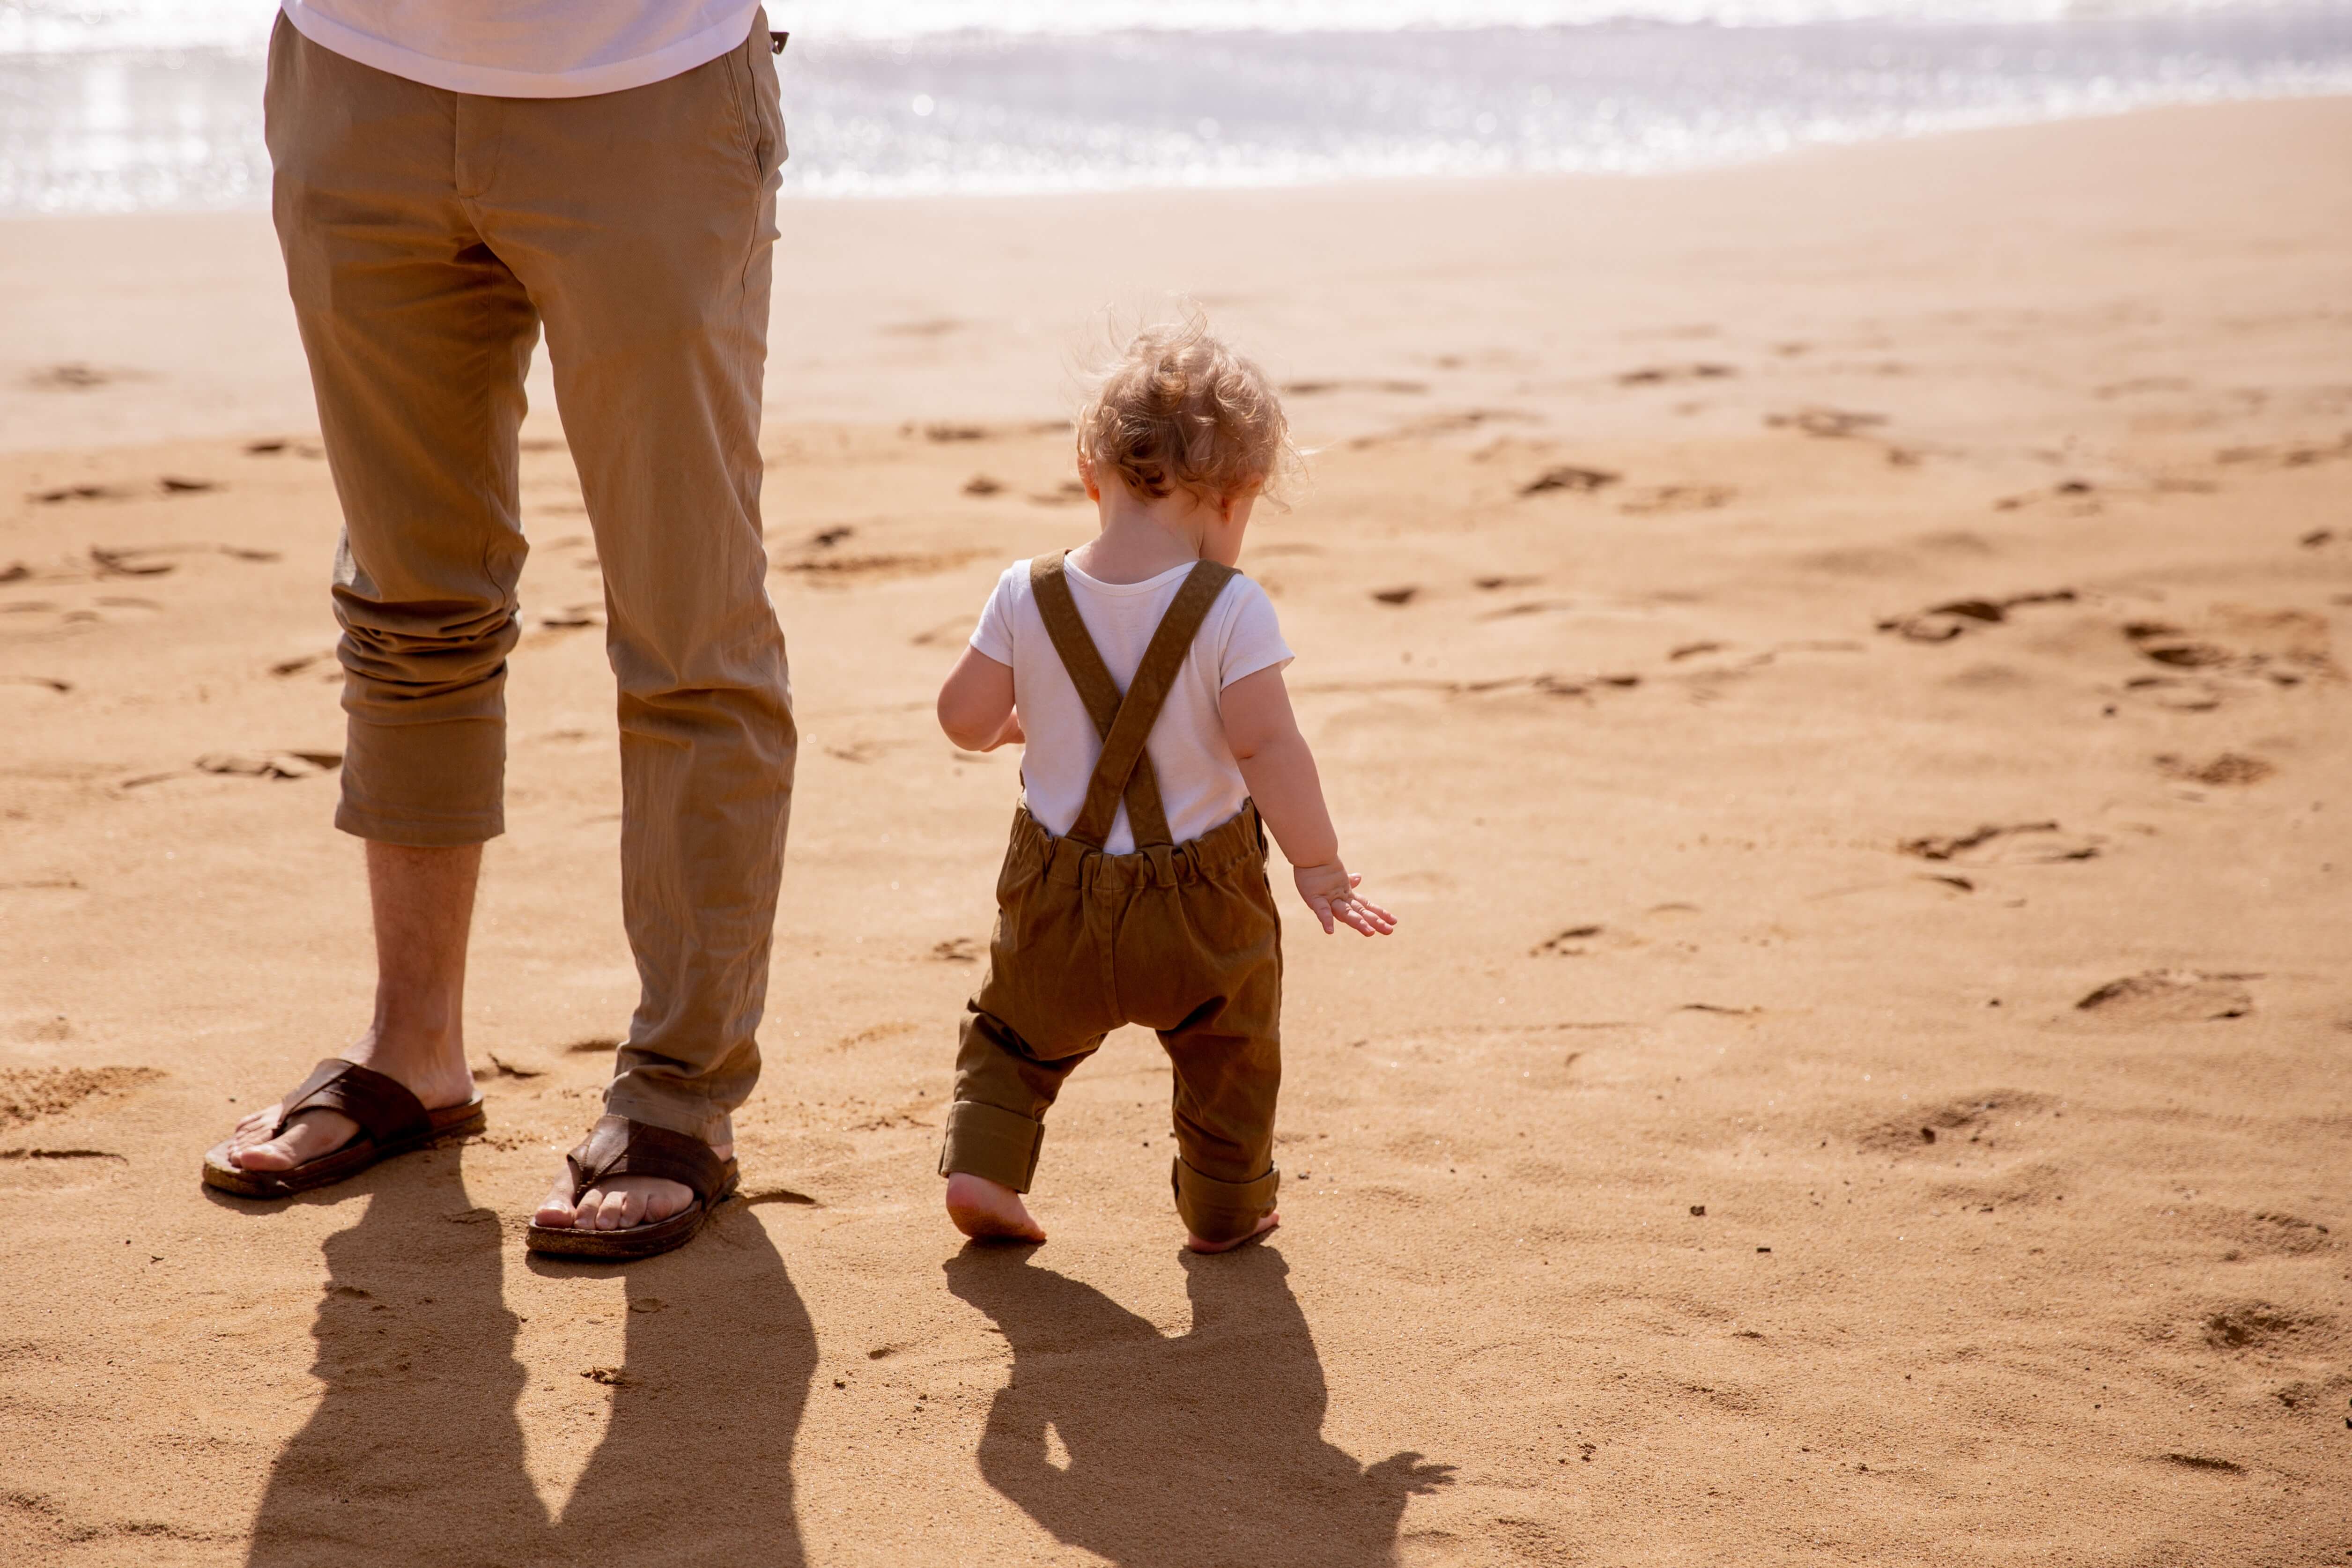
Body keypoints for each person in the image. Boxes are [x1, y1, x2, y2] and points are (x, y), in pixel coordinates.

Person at [200, 1, 793, 1261]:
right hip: (358, 85)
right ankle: (412, 1052)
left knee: (688, 629)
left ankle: (681, 1094)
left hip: (645, 91)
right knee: (407, 603)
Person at [932, 318, 1397, 1254]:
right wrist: (1320, 865)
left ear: (1089, 472)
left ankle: (984, 1167)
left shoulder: (1026, 592)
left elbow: (963, 719)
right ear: (1235, 498)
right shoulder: (1233, 607)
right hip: (1204, 908)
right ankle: (1226, 1205)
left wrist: (1013, 725)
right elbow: (1268, 747)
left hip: (1054, 901)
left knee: (1013, 1037)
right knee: (1232, 1050)